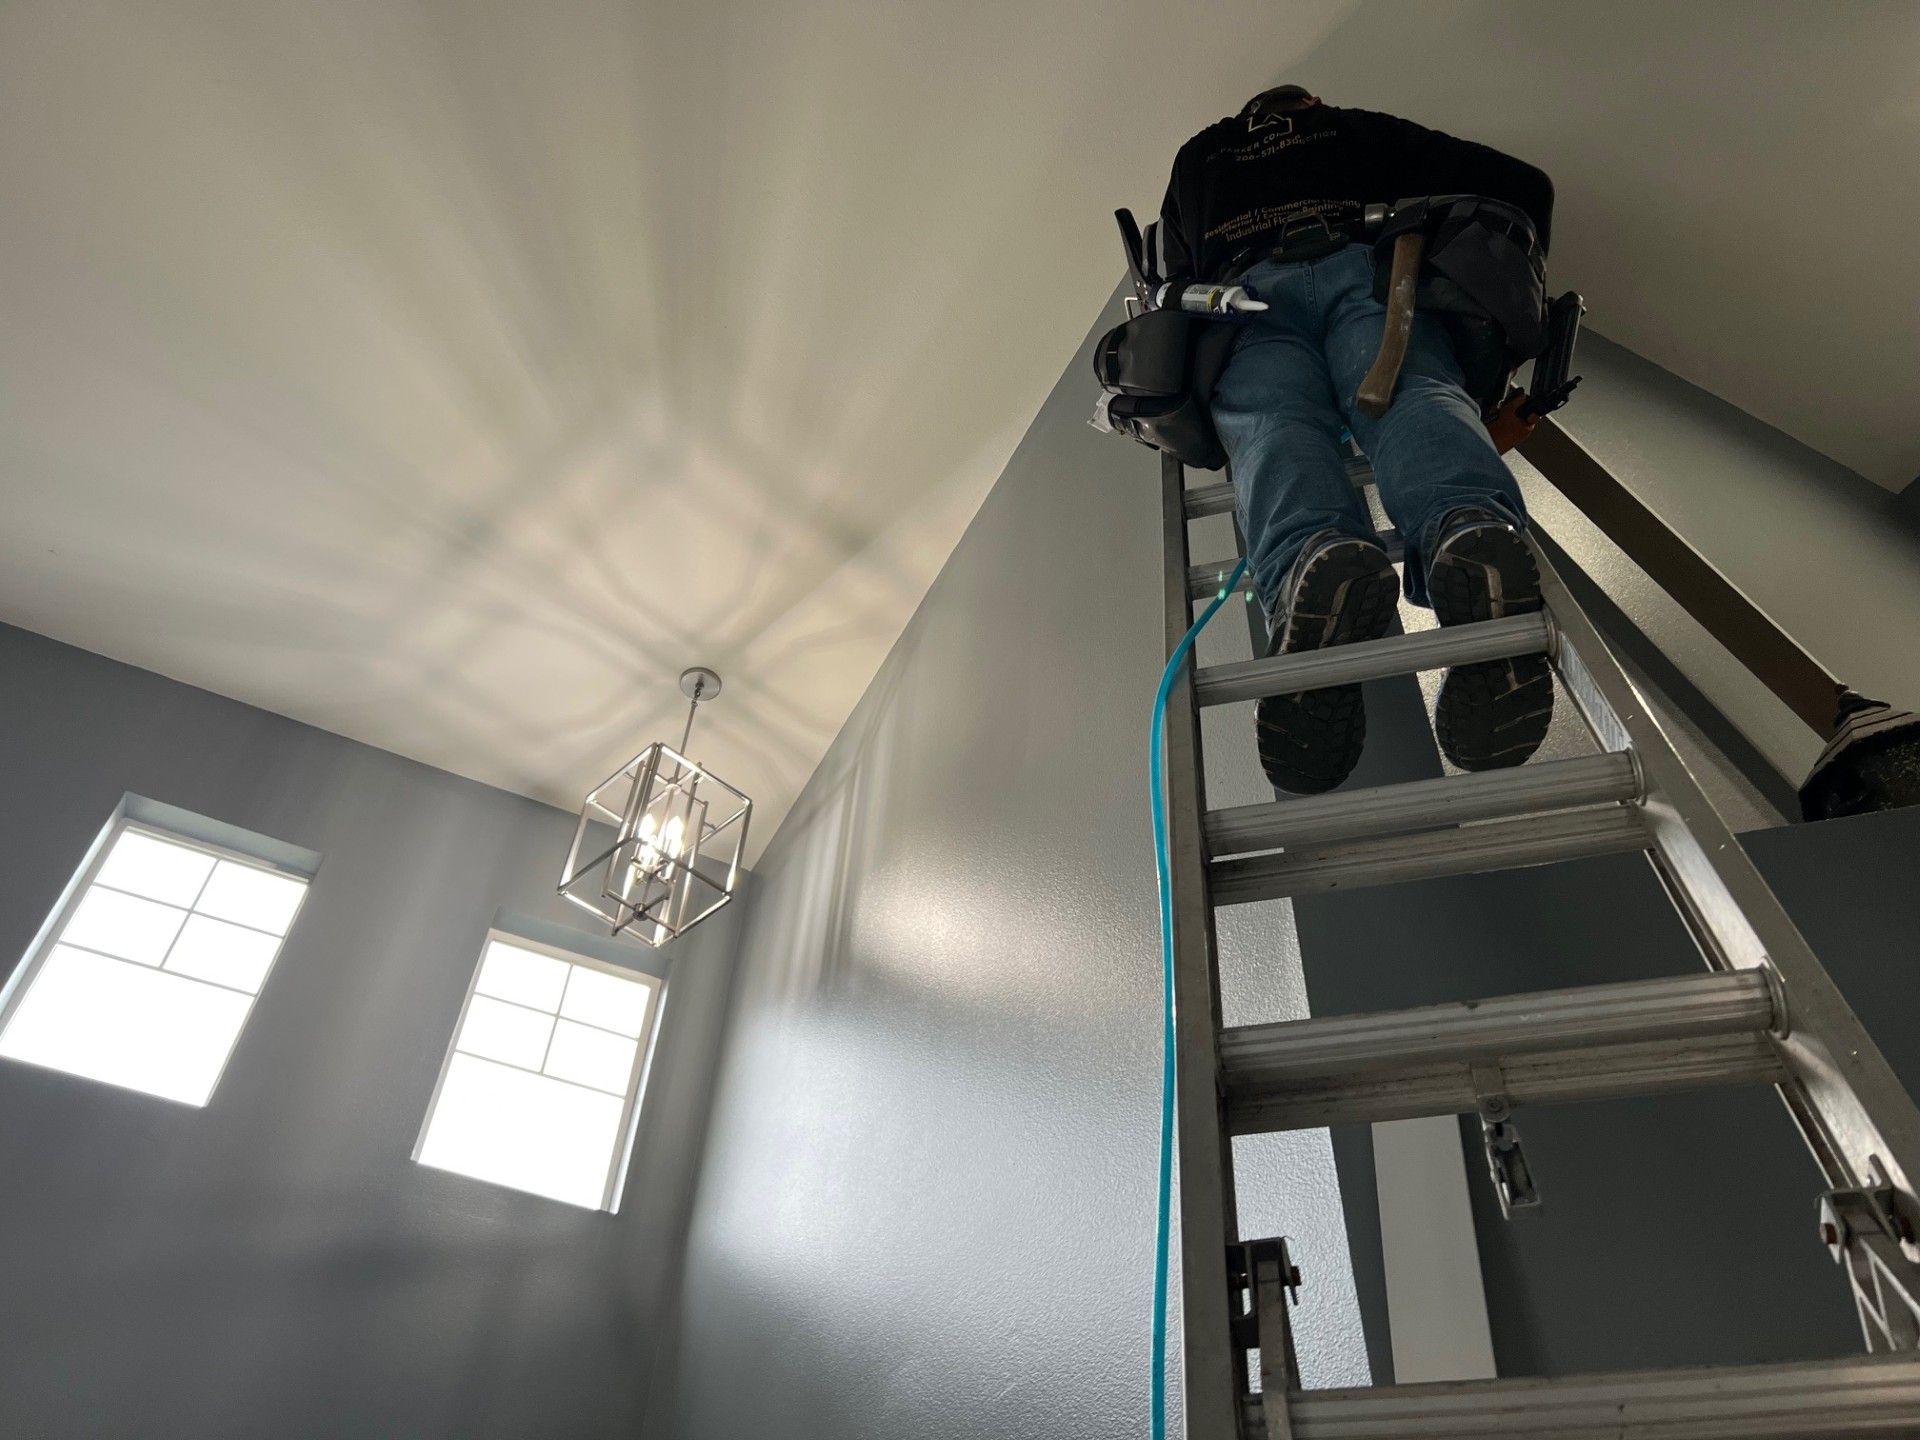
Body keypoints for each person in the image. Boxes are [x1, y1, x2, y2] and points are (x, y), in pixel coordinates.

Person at [1156, 85, 1556, 794]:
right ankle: (1467, 525)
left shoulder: (1198, 157)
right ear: (1311, 103)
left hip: (1241, 302)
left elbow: (1173, 276)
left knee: (1273, 426)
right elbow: (1523, 186)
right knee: (1411, 392)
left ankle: (1311, 560)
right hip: (1371, 270)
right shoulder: (1353, 128)